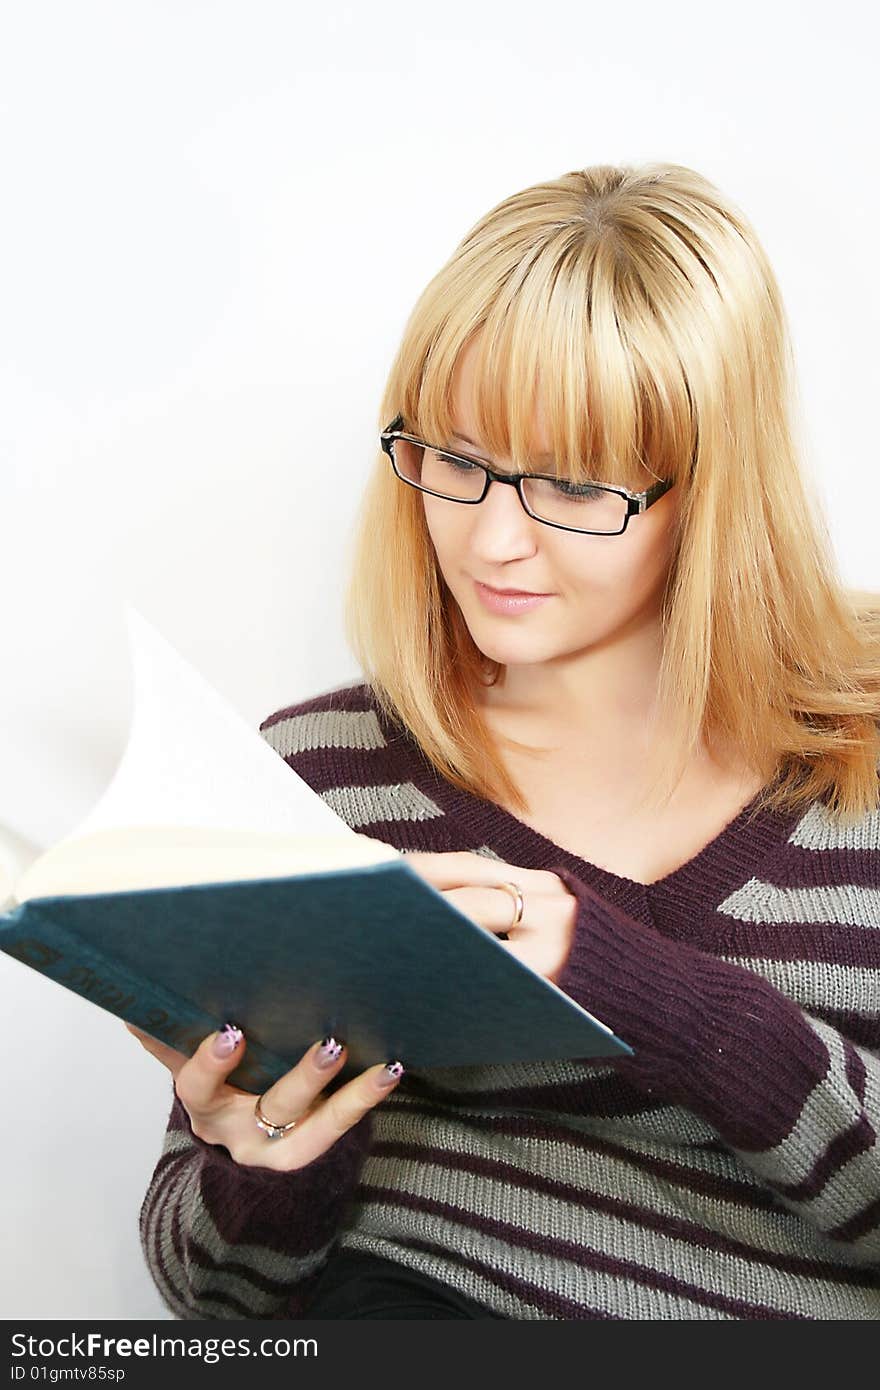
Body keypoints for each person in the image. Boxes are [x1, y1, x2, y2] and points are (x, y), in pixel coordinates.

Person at [129, 161, 880, 1320]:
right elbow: (212, 1303)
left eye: (574, 486)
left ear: (712, 495)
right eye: (459, 460)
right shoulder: (318, 778)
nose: (491, 541)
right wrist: (271, 1159)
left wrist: (639, 988)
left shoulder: (858, 776)